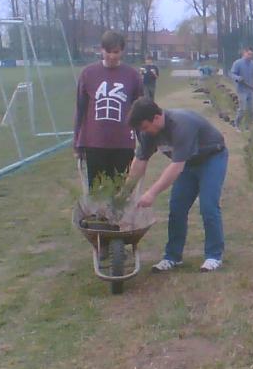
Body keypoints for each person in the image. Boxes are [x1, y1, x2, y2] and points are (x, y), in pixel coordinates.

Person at [126, 98, 228, 273]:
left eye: (145, 127)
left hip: (212, 158)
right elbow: (140, 161)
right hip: (188, 162)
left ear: (157, 117)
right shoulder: (148, 132)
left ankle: (214, 256)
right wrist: (126, 191)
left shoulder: (182, 125)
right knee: (177, 208)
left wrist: (151, 193)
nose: (143, 132)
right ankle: (172, 257)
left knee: (208, 206)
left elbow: (176, 167)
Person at [73, 30, 144, 188]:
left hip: (123, 144)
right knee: (98, 192)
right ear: (101, 50)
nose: (112, 56)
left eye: (116, 52)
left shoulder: (132, 76)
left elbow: (139, 111)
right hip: (95, 143)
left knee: (121, 191)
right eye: (108, 51)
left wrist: (144, 141)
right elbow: (80, 109)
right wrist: (77, 142)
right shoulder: (88, 74)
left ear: (122, 51)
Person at [230, 47, 253, 128]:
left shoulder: (252, 64)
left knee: (251, 109)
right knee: (242, 109)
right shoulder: (237, 63)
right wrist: (238, 78)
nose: (250, 56)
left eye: (251, 55)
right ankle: (237, 124)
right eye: (248, 54)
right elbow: (232, 74)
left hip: (251, 90)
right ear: (244, 53)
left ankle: (248, 126)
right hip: (242, 90)